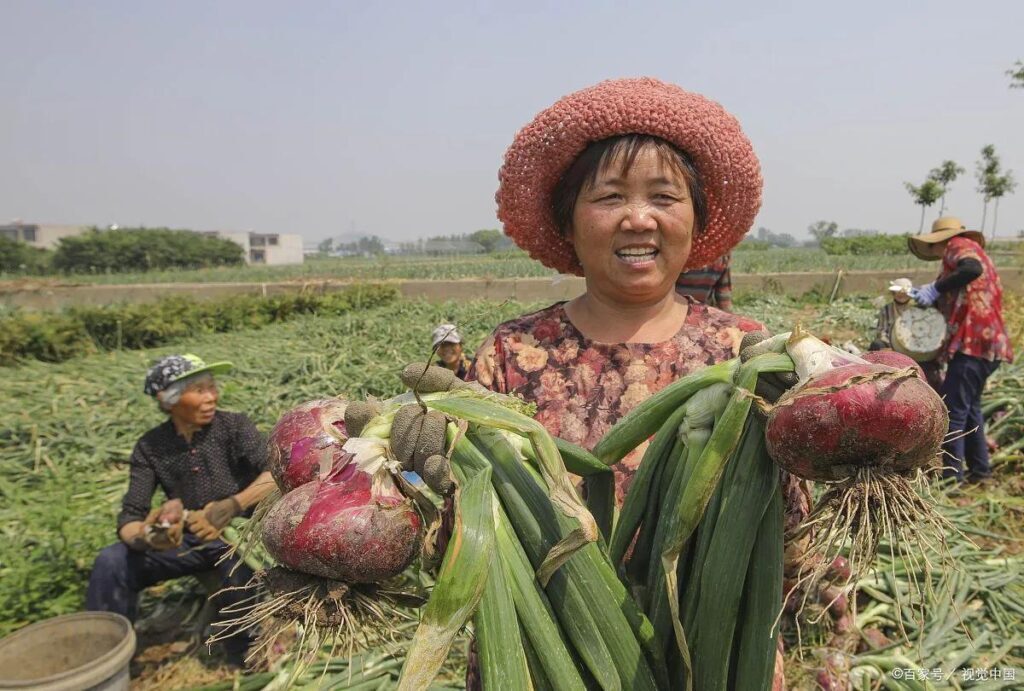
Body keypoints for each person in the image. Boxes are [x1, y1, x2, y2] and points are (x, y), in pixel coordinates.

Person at [470, 77, 809, 690]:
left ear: (695, 221)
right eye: (608, 197)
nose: (638, 219)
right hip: (548, 659)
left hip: (716, 661)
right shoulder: (510, 355)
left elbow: (792, 526)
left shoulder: (748, 353)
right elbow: (466, 528)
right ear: (568, 222)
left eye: (663, 196)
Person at [86, 354, 276, 665]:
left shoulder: (233, 427)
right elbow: (130, 517)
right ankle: (105, 658)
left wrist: (233, 505)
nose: (211, 396)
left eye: (212, 387)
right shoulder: (150, 448)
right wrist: (151, 537)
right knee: (112, 561)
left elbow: (275, 472)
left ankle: (246, 655)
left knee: (237, 558)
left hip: (239, 533)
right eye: (199, 390)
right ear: (169, 400)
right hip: (187, 541)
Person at [908, 216, 1014, 484]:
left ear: (939, 242)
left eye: (932, 247)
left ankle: (951, 480)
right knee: (971, 410)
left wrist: (934, 288)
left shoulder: (958, 245)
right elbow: (960, 289)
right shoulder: (960, 257)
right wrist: (929, 296)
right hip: (987, 344)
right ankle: (980, 472)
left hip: (973, 344)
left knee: (953, 411)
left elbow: (971, 269)